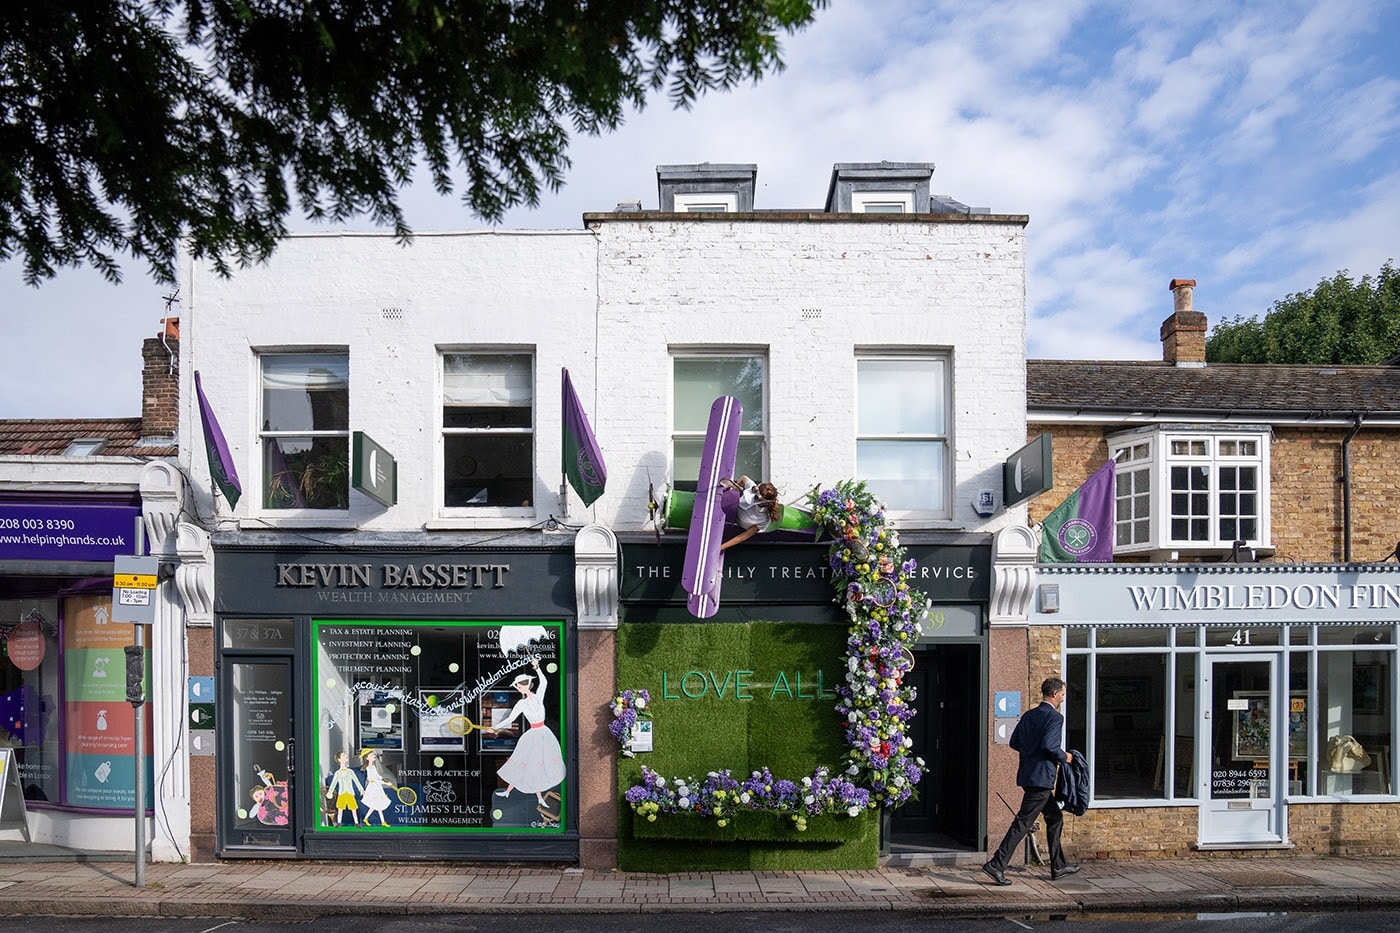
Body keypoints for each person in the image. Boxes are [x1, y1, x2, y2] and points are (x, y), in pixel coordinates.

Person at [982, 676, 1080, 885]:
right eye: (1062, 694)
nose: (1063, 698)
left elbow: (1014, 741)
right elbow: (1049, 746)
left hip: (1029, 774)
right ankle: (996, 864)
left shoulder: (1029, 715)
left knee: (1055, 817)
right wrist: (1065, 757)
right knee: (1023, 823)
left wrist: (1031, 754)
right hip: (1041, 778)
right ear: (1054, 694)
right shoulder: (1055, 718)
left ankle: (1058, 866)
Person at [488, 658, 566, 820]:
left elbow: (543, 682)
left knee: (536, 766)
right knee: (527, 764)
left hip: (543, 733)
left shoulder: (538, 697)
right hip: (533, 735)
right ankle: (510, 792)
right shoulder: (521, 704)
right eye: (517, 686)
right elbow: (510, 718)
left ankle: (536, 797)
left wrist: (537, 667)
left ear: (524, 686)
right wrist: (496, 727)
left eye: (518, 686)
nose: (518, 688)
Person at [718, 475, 782, 550]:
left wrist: (720, 548)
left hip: (730, 524)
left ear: (765, 502)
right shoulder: (752, 488)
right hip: (726, 506)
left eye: (756, 498)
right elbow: (744, 478)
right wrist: (736, 487)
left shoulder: (764, 519)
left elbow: (743, 537)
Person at [358, 748, 397, 827]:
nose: (374, 756)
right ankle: (382, 822)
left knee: (375, 806)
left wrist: (384, 780)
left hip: (377, 787)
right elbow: (373, 779)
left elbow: (378, 776)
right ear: (367, 758)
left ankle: (368, 819)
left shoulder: (373, 767)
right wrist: (385, 783)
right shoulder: (369, 768)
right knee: (377, 805)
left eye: (373, 754)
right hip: (373, 787)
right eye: (372, 755)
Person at [325, 750, 364, 826]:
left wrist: (361, 790)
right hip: (342, 793)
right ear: (339, 760)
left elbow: (356, 781)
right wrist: (330, 792)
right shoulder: (338, 773)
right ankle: (339, 822)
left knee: (353, 808)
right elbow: (334, 783)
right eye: (343, 756)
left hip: (350, 792)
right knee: (340, 808)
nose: (346, 756)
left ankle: (356, 823)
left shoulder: (350, 772)